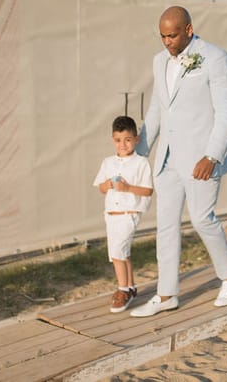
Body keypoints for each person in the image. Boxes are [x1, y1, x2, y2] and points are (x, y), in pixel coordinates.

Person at [131, 5, 227, 317]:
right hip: (167, 159)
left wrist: (212, 155)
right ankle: (167, 294)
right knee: (165, 226)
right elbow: (157, 108)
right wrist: (139, 151)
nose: (167, 41)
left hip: (201, 158)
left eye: (172, 35)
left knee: (202, 219)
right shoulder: (158, 61)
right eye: (163, 36)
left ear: (189, 30)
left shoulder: (215, 57)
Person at [93, 115, 153, 313]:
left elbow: (148, 190)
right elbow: (101, 187)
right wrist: (109, 183)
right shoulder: (108, 162)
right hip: (111, 214)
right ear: (113, 140)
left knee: (117, 252)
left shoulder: (141, 163)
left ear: (136, 139)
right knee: (121, 252)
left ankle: (123, 289)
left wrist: (127, 187)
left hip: (129, 213)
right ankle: (131, 286)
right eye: (118, 140)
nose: (123, 144)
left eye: (128, 140)